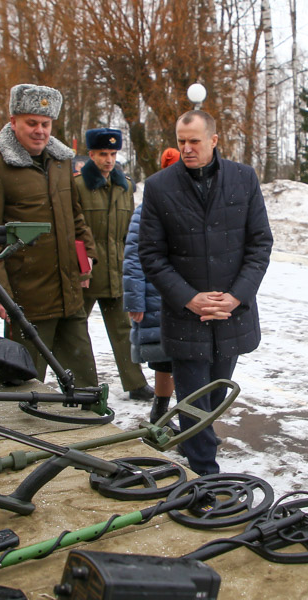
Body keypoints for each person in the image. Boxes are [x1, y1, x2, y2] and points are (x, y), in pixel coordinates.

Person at [139, 112, 273, 475]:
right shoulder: (159, 187)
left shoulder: (243, 179)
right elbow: (151, 254)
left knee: (215, 394)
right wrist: (189, 298)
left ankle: (197, 441)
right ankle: (204, 474)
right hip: (186, 315)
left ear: (214, 140)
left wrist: (237, 296)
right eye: (181, 141)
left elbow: (260, 244)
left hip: (231, 313)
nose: (186, 148)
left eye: (194, 141)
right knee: (193, 397)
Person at [0, 83, 99, 389]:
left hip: (70, 294)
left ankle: (89, 418)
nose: (40, 131)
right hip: (26, 299)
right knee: (24, 385)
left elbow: (75, 217)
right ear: (13, 122)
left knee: (85, 384)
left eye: (45, 124)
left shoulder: (61, 162)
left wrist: (86, 260)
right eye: (32, 123)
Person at [74, 128, 152, 401]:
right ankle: (82, 385)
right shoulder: (77, 186)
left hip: (117, 270)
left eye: (112, 154)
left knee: (123, 329)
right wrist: (81, 267)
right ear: (91, 155)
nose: (108, 160)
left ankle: (135, 383)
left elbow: (130, 230)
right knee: (75, 331)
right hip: (87, 271)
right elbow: (74, 231)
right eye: (102, 154)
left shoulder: (124, 186)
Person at [123, 148, 181, 425]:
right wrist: (135, 301)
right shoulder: (148, 208)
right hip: (157, 296)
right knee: (165, 360)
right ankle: (161, 411)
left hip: (184, 297)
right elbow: (133, 257)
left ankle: (190, 419)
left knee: (186, 360)